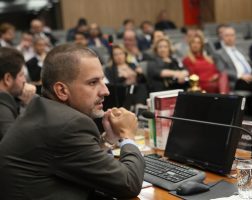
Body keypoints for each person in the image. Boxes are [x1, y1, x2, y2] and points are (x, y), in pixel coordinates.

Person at [0, 44, 145, 199]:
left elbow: (78, 158)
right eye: (93, 82)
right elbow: (129, 184)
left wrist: (108, 139)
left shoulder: (43, 111)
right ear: (62, 91)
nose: (105, 91)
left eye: (102, 80)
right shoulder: (67, 125)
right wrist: (127, 136)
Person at [215, 26, 252, 121]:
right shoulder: (219, 53)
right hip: (237, 81)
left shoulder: (241, 50)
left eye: (232, 35)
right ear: (222, 38)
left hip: (251, 77)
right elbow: (222, 70)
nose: (230, 38)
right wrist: (241, 76)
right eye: (227, 35)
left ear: (235, 37)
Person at [0, 47, 36, 139]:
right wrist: (27, 106)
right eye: (21, 75)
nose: (24, 80)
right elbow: (19, 144)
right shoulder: (3, 111)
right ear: (7, 78)